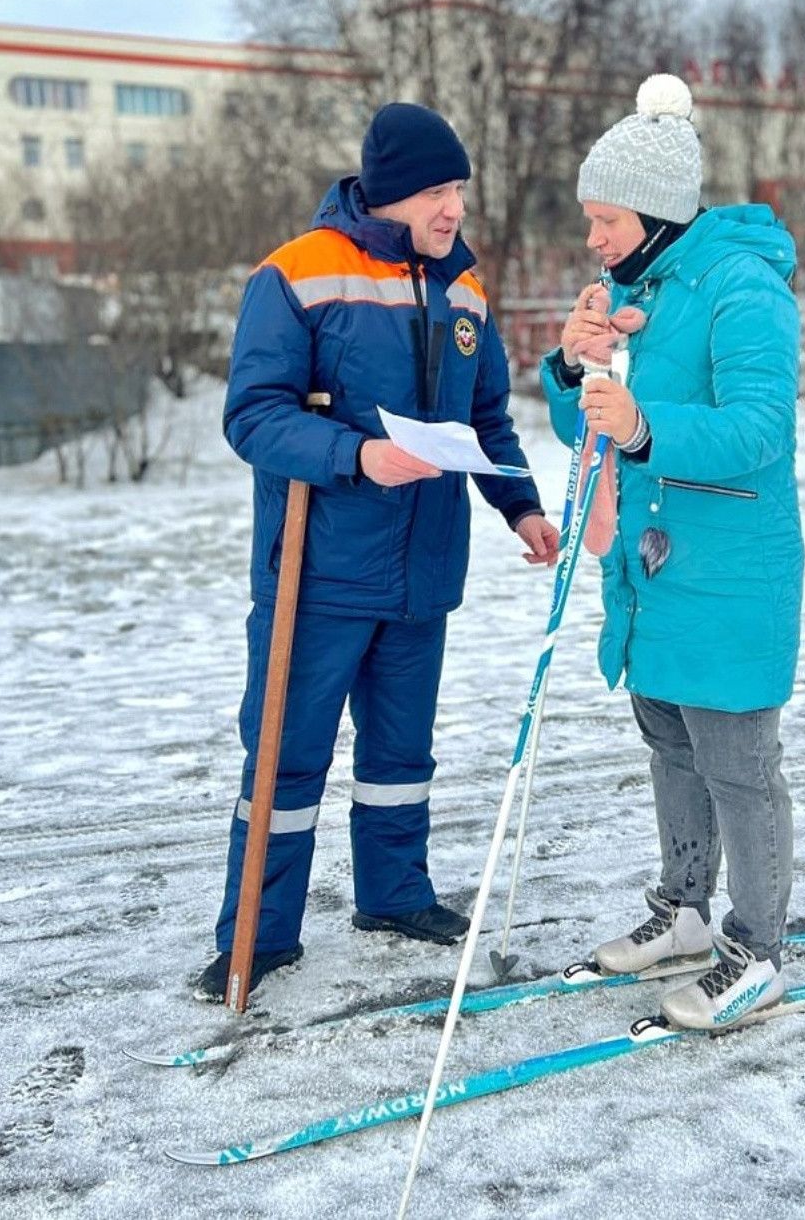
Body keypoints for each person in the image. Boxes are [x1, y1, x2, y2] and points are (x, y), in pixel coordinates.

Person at [197, 103, 560, 1000]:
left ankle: (394, 897)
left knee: (401, 756)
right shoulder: (297, 275)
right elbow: (253, 416)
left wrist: (519, 506)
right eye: (438, 192)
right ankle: (262, 934)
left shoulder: (464, 290)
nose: (453, 211)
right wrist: (355, 455)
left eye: (460, 193)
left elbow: (485, 421)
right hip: (319, 575)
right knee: (285, 761)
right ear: (393, 193)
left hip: (423, 575)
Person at [539, 74, 803, 1030]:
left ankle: (759, 949)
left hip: (731, 569)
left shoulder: (744, 288)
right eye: (591, 221)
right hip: (653, 570)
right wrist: (575, 368)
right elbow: (590, 431)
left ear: (654, 213)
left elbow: (760, 428)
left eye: (605, 220)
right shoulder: (632, 290)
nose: (594, 240)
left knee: (738, 759)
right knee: (672, 747)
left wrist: (648, 424)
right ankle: (684, 912)